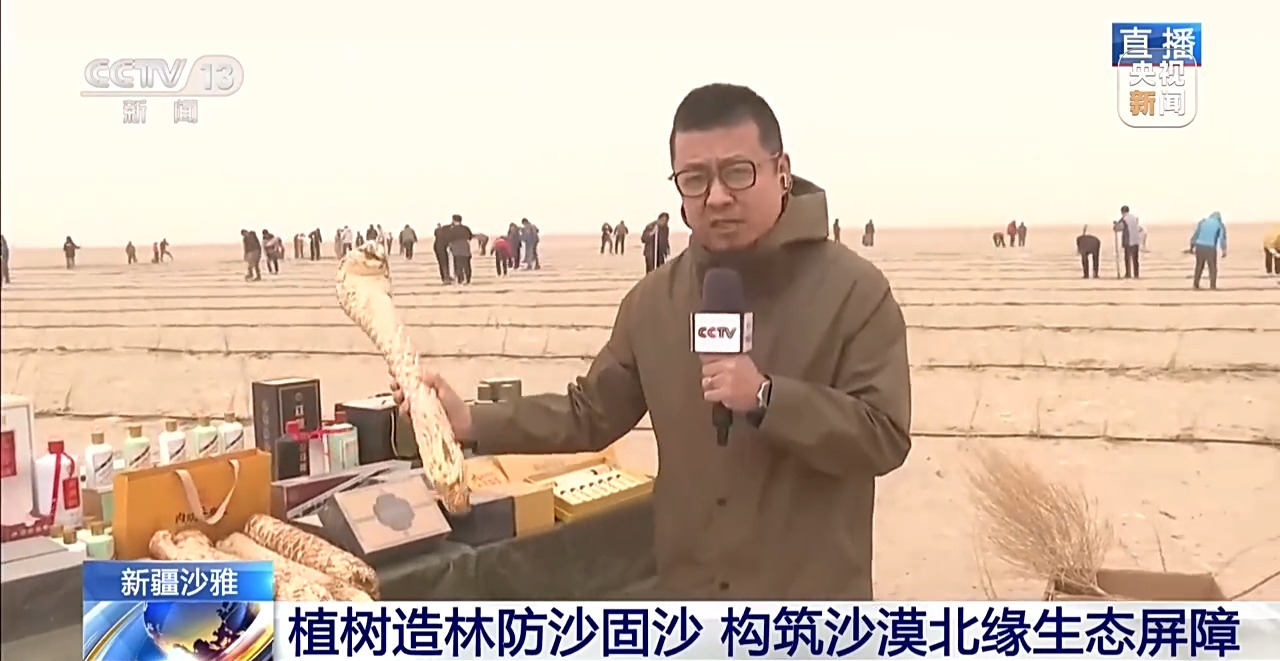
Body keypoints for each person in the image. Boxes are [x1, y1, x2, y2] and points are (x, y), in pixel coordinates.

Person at [390, 83, 910, 600]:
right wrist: (471, 421)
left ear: (782, 170)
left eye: (737, 172)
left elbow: (883, 436)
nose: (717, 196)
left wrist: (767, 397)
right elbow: (589, 412)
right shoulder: (654, 301)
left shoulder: (854, 291)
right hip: (691, 599)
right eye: (694, 179)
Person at [1189, 211, 1227, 290]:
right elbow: (1222, 238)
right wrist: (1224, 250)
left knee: (1199, 266)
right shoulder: (1220, 225)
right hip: (1210, 248)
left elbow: (1196, 235)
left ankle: (1196, 284)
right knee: (1212, 267)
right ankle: (1212, 286)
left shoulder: (1202, 222)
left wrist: (1191, 247)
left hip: (1199, 247)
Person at [1115, 205, 1142, 278]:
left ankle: (1128, 274)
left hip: (1129, 241)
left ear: (1122, 212)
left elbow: (1119, 228)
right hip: (1136, 241)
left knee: (1127, 259)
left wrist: (1116, 226)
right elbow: (1139, 228)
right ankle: (1136, 274)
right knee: (1135, 259)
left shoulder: (1125, 219)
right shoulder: (1134, 218)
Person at [447, 215, 474, 284]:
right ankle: (468, 279)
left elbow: (448, 239)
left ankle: (460, 279)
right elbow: (470, 237)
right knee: (467, 265)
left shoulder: (451, 230)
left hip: (456, 249)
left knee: (458, 265)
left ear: (453, 220)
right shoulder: (466, 228)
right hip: (465, 248)